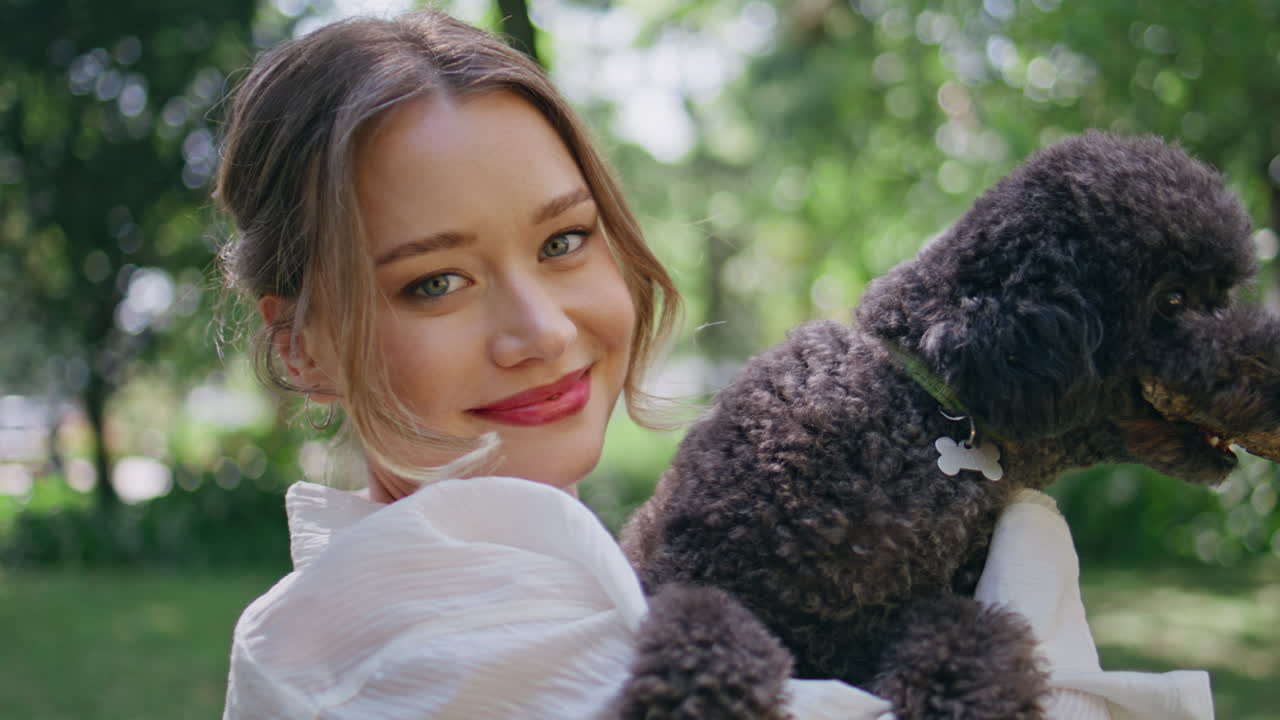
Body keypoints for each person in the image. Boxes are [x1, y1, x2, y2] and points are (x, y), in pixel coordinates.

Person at [217, 9, 1214, 720]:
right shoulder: (417, 660)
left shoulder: (561, 571)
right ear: (302, 344)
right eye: (432, 283)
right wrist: (1022, 552)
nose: (543, 332)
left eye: (563, 241)